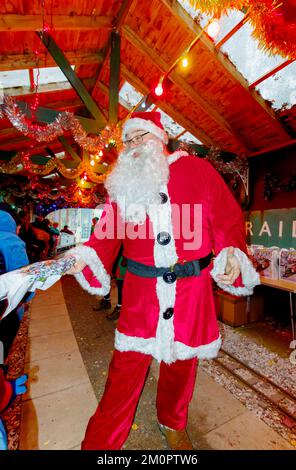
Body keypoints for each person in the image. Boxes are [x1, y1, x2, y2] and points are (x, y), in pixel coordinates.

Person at [66, 111, 259, 450]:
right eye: (128, 140)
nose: (134, 145)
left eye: (141, 136)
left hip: (191, 292)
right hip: (141, 296)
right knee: (124, 371)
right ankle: (101, 443)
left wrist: (230, 254)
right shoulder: (123, 185)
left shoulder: (199, 170)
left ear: (162, 137)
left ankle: (172, 421)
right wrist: (84, 257)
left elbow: (227, 218)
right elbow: (105, 235)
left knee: (182, 368)